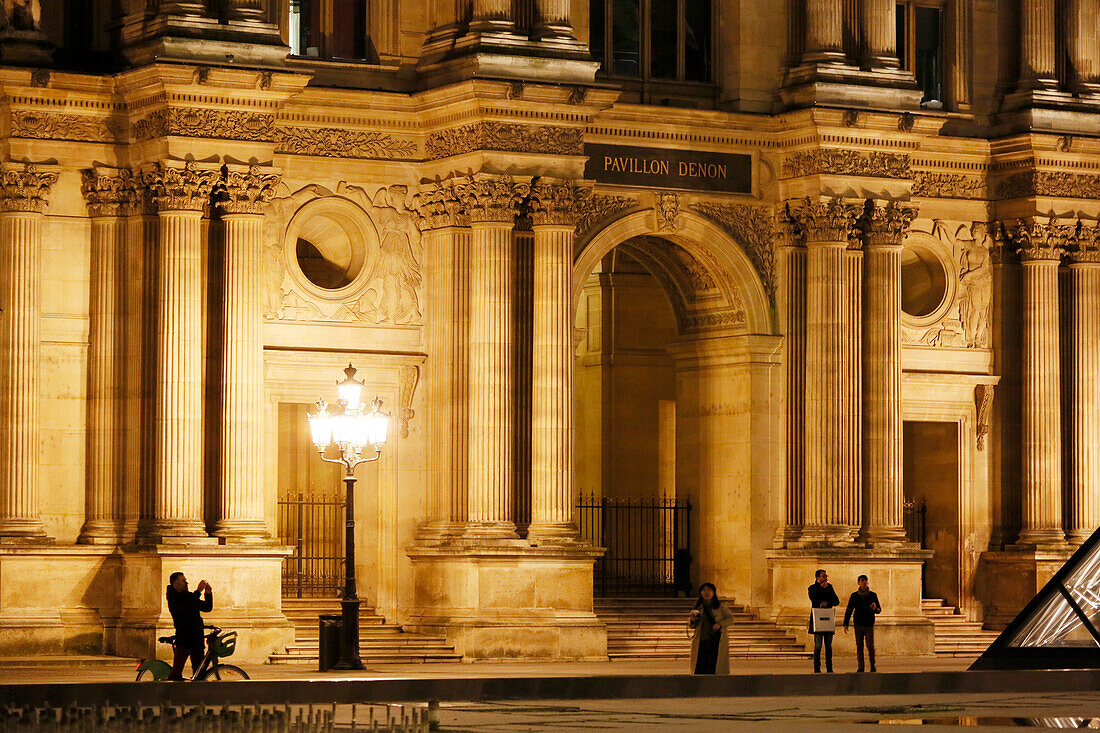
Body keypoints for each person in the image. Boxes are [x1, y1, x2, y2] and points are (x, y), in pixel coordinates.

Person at [165, 572, 213, 680]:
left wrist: (208, 593)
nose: (186, 583)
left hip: (196, 637)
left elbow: (206, 607)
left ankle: (196, 693)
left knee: (199, 671)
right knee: (176, 672)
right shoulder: (173, 596)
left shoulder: (189, 596)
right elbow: (185, 606)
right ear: (175, 583)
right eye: (183, 580)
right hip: (184, 638)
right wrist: (198, 591)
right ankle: (169, 692)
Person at [688, 582, 733, 674]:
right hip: (701, 640)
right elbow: (692, 625)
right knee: (700, 666)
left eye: (709, 590)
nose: (706, 592)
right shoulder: (698, 607)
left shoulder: (720, 607)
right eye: (704, 590)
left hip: (715, 640)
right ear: (701, 593)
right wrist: (692, 620)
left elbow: (730, 619)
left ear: (713, 592)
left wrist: (720, 624)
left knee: (713, 665)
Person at [843, 574, 882, 672]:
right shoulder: (854, 595)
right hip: (858, 623)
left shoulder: (872, 595)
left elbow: (878, 610)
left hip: (868, 623)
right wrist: (846, 623)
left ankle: (872, 664)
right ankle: (861, 666)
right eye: (862, 580)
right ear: (858, 583)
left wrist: (875, 608)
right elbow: (849, 609)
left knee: (870, 645)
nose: (864, 583)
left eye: (865, 581)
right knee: (859, 646)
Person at [808, 569, 839, 673]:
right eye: (823, 576)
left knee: (828, 645)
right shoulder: (812, 588)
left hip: (828, 619)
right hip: (817, 619)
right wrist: (821, 589)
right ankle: (817, 667)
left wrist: (827, 595)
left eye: (826, 576)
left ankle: (829, 667)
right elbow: (814, 599)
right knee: (818, 645)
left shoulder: (830, 588)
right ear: (818, 578)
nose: (826, 578)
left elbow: (836, 601)